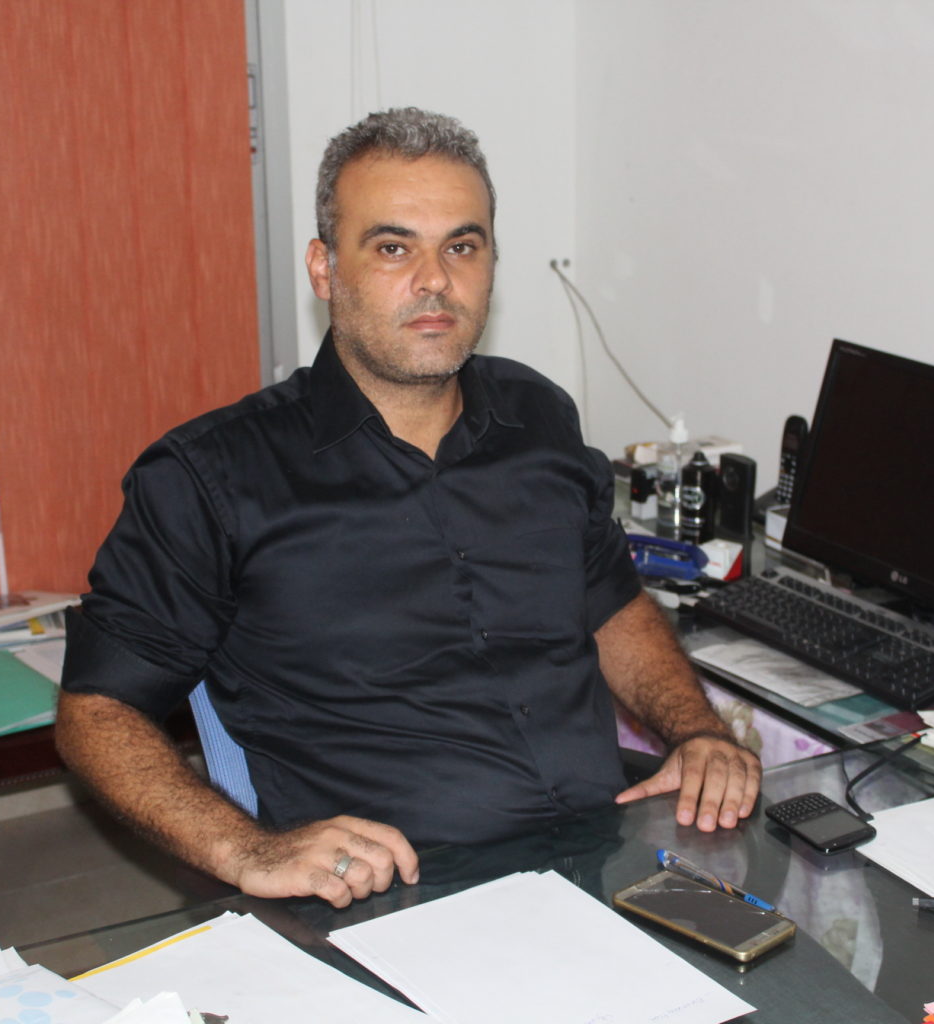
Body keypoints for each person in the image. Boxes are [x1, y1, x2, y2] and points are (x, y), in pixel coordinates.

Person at [55, 107, 760, 909]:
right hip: (395, 901)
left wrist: (698, 732)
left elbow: (613, 605)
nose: (435, 281)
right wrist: (247, 850)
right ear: (325, 269)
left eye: (462, 246)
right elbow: (96, 709)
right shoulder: (211, 476)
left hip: (607, 861)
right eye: (393, 248)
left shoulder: (539, 418)